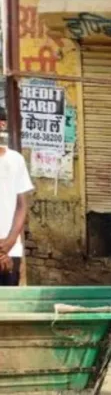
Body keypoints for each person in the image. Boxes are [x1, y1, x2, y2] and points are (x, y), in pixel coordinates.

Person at [0, 121, 34, 287]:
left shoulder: (16, 160)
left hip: (10, 249)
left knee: (7, 306)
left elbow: (21, 205)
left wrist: (9, 242)